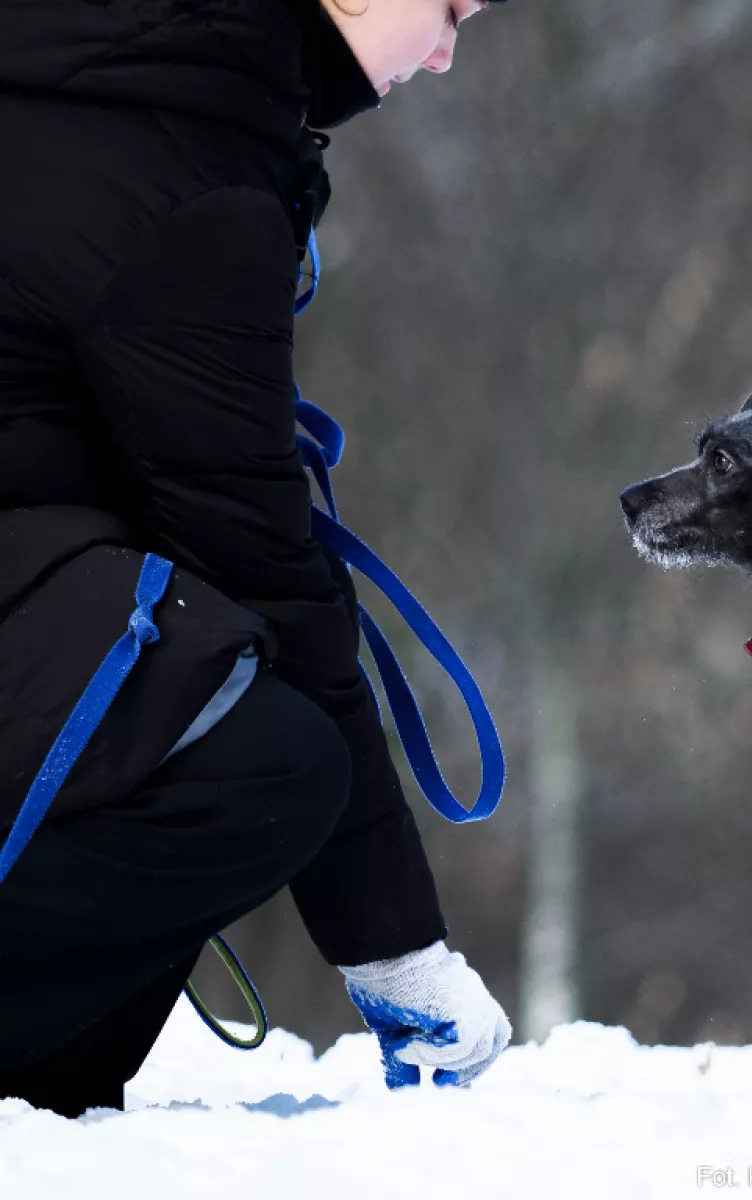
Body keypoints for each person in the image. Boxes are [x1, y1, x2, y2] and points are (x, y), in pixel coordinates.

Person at [0, 0, 512, 1117]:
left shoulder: (93, 68)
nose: (444, 54)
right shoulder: (183, 164)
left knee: (176, 665)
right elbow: (264, 571)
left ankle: (46, 1089)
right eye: (447, 10)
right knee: (266, 758)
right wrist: (395, 946)